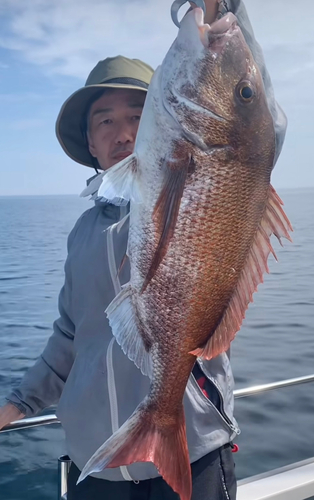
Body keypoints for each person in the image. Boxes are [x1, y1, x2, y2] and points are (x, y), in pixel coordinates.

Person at [0, 1, 287, 498]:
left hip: (194, 453)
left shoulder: (207, 170)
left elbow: (261, 130)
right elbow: (70, 336)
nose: (123, 131)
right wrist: (20, 402)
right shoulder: (83, 233)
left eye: (136, 112)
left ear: (159, 113)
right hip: (99, 460)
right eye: (104, 121)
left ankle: (164, 419)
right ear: (88, 142)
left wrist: (231, 10)